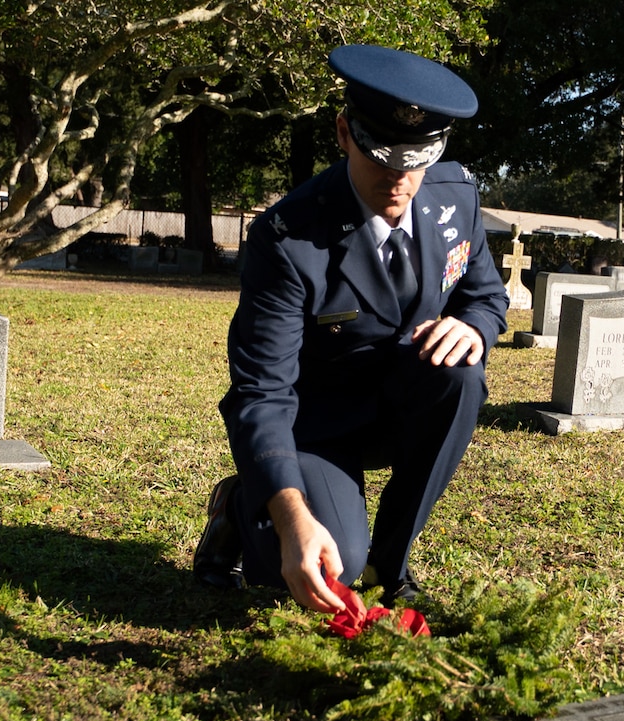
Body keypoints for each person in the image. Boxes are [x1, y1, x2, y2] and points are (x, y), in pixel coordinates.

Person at [194, 44, 509, 613]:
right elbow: (261, 391)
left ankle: (395, 563)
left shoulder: (454, 196)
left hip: (404, 406)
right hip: (319, 427)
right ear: (344, 133)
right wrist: (290, 518)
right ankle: (244, 506)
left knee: (462, 376)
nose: (399, 179)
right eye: (381, 158)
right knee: (326, 557)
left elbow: (485, 295)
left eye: (414, 161)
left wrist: (474, 326)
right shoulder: (289, 239)